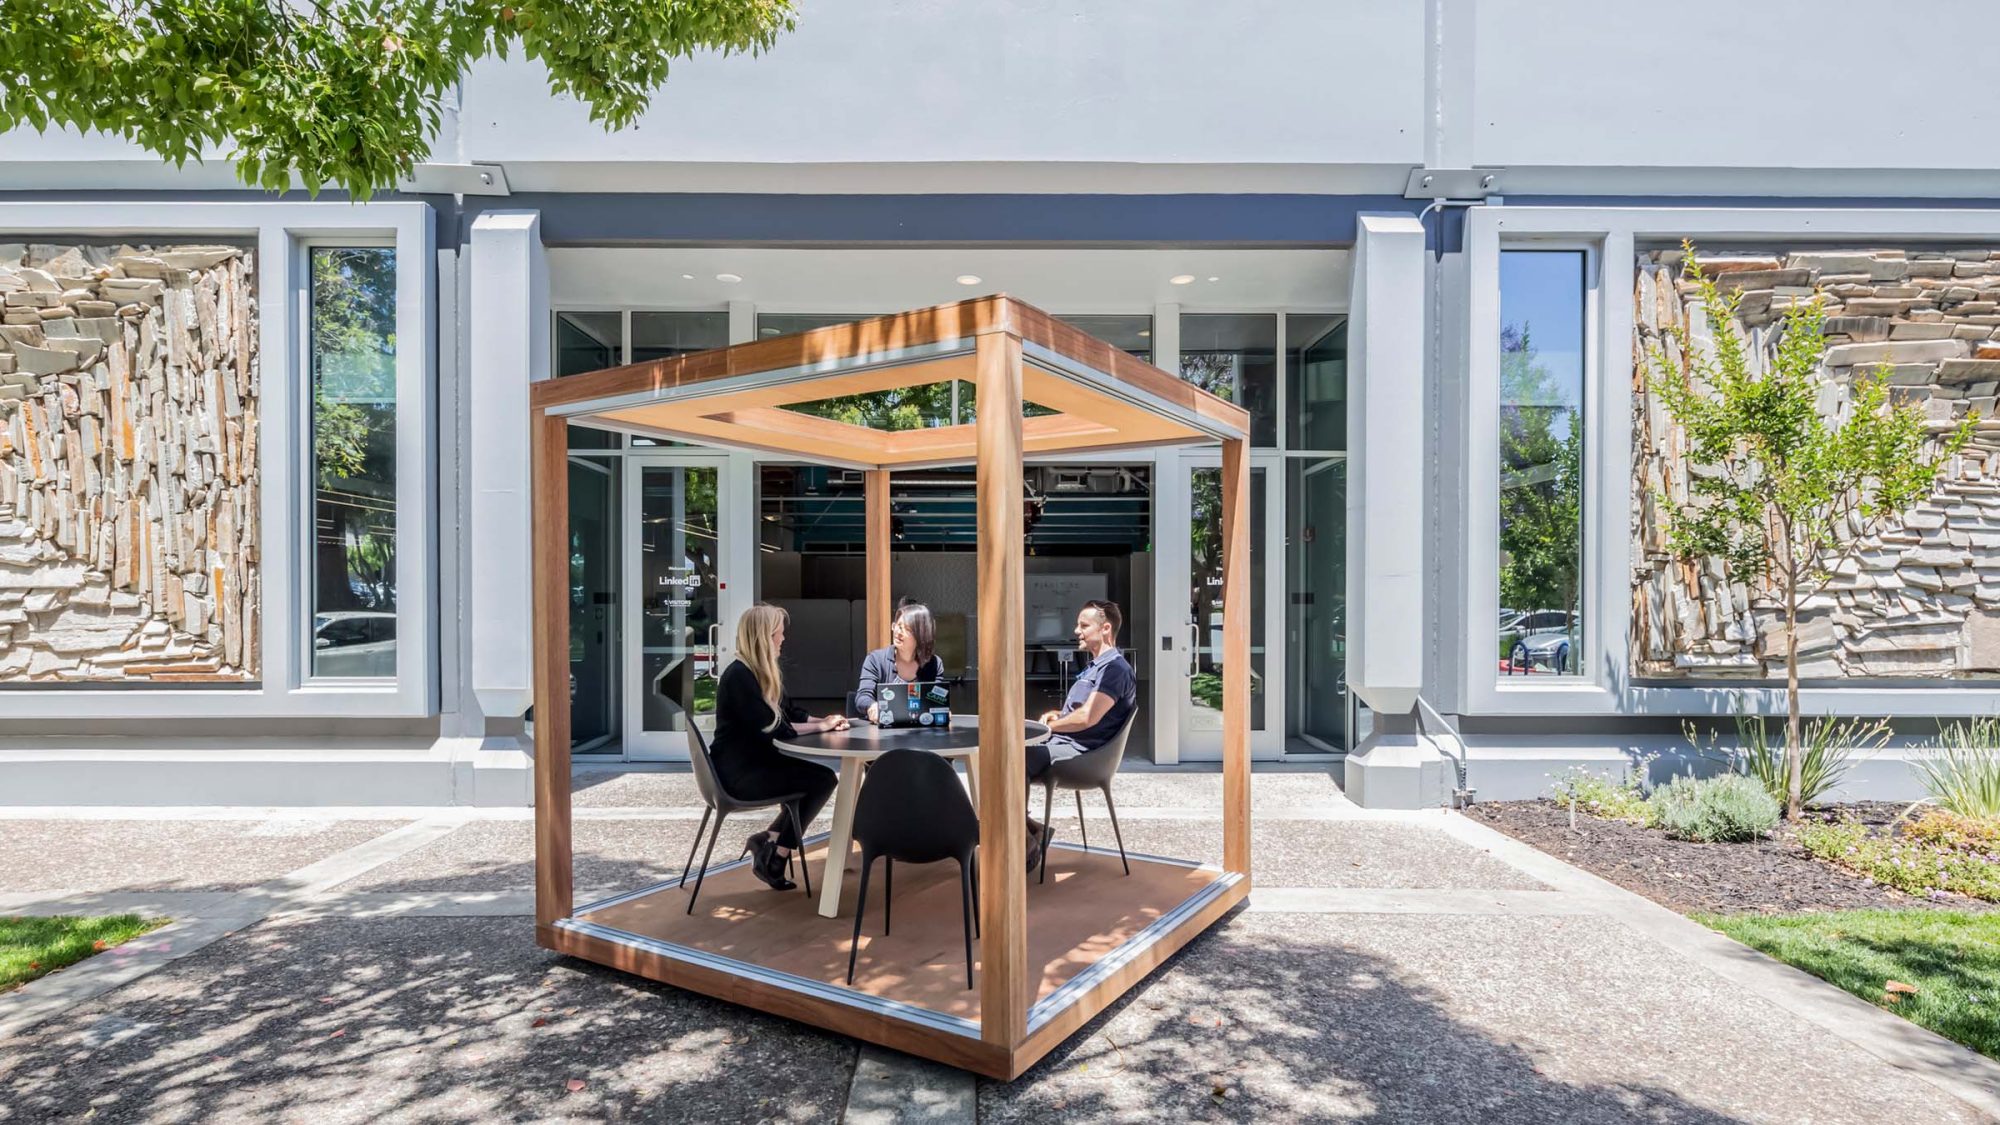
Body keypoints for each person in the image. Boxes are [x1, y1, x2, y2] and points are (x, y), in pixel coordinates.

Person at [710, 603, 847, 891]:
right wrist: (821, 727)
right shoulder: (739, 677)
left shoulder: (758, 673)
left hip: (755, 765)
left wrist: (825, 720)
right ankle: (777, 854)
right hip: (738, 776)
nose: (783, 640)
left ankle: (769, 841)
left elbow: (789, 713)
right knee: (821, 780)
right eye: (779, 634)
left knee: (816, 778)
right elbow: (774, 728)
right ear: (764, 637)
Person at [1025, 599, 1136, 871]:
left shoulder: (1115, 669)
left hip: (1083, 755)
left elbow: (1088, 717)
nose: (1077, 631)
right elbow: (1082, 711)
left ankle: (1022, 837)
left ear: (1106, 629)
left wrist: (1049, 727)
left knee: (1014, 758)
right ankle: (1029, 830)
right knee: (1004, 755)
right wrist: (1058, 717)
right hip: (1068, 743)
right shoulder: (1095, 666)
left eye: (1084, 626)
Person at [855, 601, 946, 723]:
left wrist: (942, 710)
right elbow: (862, 697)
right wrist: (872, 706)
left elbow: (938, 700)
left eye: (907, 629)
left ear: (922, 634)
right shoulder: (875, 660)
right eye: (897, 626)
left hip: (923, 734)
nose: (898, 632)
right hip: (884, 733)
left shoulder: (934, 663)